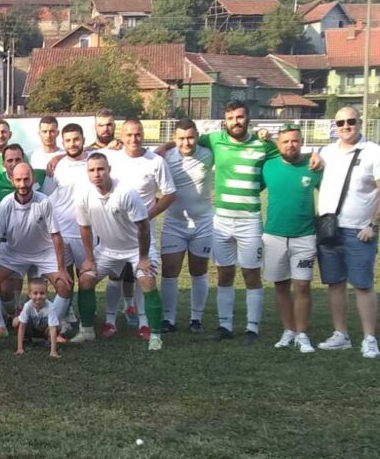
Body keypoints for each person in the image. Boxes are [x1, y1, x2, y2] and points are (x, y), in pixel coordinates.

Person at [159, 101, 276, 345]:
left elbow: (281, 158)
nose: (236, 122)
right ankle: (221, 325)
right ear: (225, 121)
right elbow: (173, 144)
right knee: (222, 273)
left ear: (248, 118)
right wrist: (164, 146)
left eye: (240, 117)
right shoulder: (213, 141)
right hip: (212, 221)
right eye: (231, 118)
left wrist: (272, 139)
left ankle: (248, 327)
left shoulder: (257, 144)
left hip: (237, 220)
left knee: (248, 273)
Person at [313, 105, 380, 358]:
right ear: (335, 126)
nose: (346, 126)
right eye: (340, 123)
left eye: (351, 121)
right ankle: (341, 334)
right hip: (329, 229)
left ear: (359, 123)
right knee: (335, 283)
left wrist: (374, 225)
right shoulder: (327, 152)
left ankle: (369, 338)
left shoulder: (373, 152)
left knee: (362, 284)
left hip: (359, 231)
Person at [74, 153, 164, 352]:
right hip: (107, 249)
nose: (96, 174)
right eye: (92, 170)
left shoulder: (126, 192)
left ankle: (156, 335)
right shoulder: (83, 195)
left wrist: (143, 258)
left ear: (109, 169)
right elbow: (84, 228)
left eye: (100, 169)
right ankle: (87, 330)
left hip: (137, 249)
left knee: (147, 280)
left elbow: (143, 227)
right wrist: (89, 258)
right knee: (86, 279)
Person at [0, 158, 72, 341]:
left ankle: (51, 328)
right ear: (12, 181)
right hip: (14, 253)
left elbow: (56, 236)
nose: (22, 184)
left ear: (33, 179)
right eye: (18, 180)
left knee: (65, 285)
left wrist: (61, 269)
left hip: (44, 253)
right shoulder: (6, 203)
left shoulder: (43, 201)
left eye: (26, 179)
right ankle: (0, 326)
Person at [105, 118, 175, 340]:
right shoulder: (112, 158)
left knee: (143, 276)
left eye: (138, 134)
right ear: (121, 136)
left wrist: (146, 217)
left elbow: (170, 194)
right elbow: (82, 157)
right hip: (115, 232)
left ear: (143, 134)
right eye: (129, 134)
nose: (134, 138)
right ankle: (109, 321)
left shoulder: (156, 161)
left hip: (143, 233)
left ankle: (144, 323)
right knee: (114, 276)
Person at [261, 125, 321, 354]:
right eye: (285, 141)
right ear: (278, 144)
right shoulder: (268, 166)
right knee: (281, 285)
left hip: (305, 236)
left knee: (302, 285)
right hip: (274, 235)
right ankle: (288, 330)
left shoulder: (313, 166)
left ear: (301, 142)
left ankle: (302, 334)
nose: (290, 145)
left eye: (295, 141)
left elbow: (329, 194)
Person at [158, 119, 214, 334]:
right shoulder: (165, 157)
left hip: (203, 223)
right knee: (169, 271)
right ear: (174, 138)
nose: (186, 142)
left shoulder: (208, 153)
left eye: (190, 137)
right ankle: (168, 319)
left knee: (198, 270)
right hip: (174, 223)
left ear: (197, 136)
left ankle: (196, 319)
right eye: (181, 138)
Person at [41, 122, 92, 338]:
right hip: (62, 231)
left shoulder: (94, 161)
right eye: (68, 140)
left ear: (83, 140)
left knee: (87, 277)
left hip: (87, 231)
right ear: (63, 143)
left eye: (76, 139)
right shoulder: (57, 166)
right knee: (65, 277)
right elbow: (46, 197)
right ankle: (66, 317)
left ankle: (87, 325)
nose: (72, 144)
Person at [14, 279, 60, 359]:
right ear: (29, 294)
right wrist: (19, 348)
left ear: (47, 293)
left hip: (44, 331)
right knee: (17, 322)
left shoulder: (50, 306)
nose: (38, 296)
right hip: (31, 329)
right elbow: (22, 326)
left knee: (58, 325)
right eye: (35, 293)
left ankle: (50, 342)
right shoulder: (27, 306)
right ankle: (26, 340)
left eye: (42, 293)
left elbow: (52, 328)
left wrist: (53, 351)